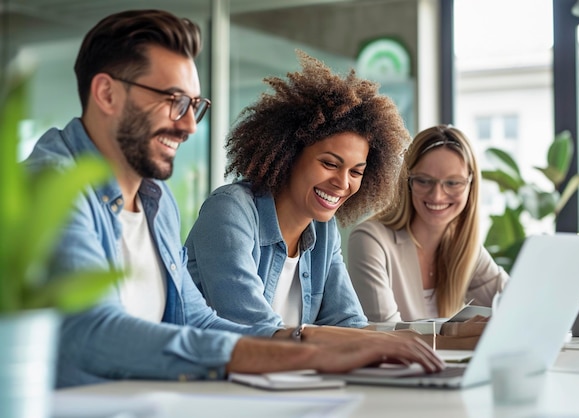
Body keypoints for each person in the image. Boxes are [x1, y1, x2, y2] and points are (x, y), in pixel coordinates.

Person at [23, 9, 444, 388]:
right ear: (107, 94)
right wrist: (310, 351)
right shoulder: (50, 186)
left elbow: (199, 321)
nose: (189, 125)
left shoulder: (156, 200)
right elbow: (96, 332)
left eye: (194, 106)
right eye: (174, 102)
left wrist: (318, 349)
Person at [185, 50, 409, 335]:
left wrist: (430, 339)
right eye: (329, 163)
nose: (342, 183)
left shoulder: (323, 230)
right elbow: (253, 328)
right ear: (289, 154)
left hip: (285, 377)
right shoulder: (230, 211)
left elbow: (349, 324)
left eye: (356, 172)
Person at [348, 124, 509, 323]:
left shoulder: (464, 247)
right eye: (424, 181)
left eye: (452, 183)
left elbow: (516, 306)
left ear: (471, 185)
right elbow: (387, 333)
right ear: (408, 181)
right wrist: (458, 333)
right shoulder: (370, 240)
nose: (437, 195)